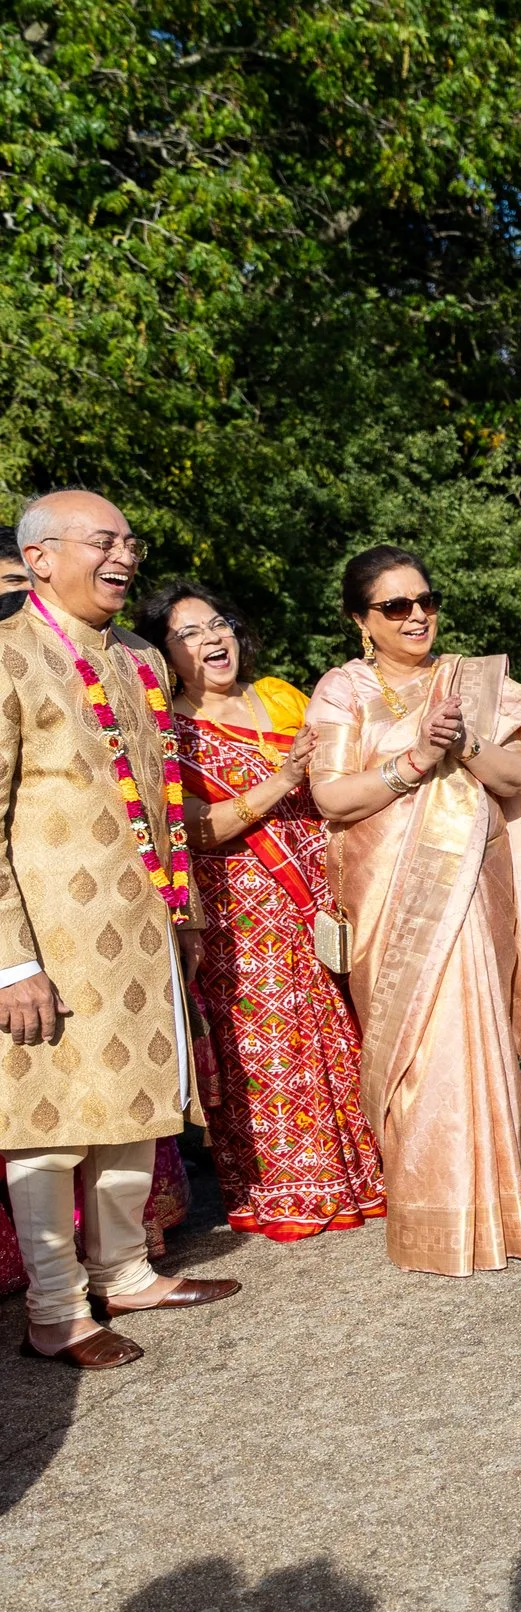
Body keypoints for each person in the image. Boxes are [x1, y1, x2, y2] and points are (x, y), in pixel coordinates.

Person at [3, 490, 239, 1370]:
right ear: (40, 558)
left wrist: (184, 912)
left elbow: (163, 800)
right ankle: (56, 1310)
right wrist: (10, 961)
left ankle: (127, 1271)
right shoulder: (7, 657)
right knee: (51, 1120)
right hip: (46, 939)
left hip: (144, 926)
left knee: (133, 1105)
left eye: (129, 540)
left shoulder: (139, 654)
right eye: (103, 541)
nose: (125, 554)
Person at [305, 547, 521, 1277]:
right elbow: (332, 795)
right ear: (362, 620)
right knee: (419, 1047)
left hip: (471, 889)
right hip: (388, 898)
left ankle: (494, 1209)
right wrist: (416, 761)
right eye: (395, 606)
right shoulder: (343, 690)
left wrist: (467, 743)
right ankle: (429, 1218)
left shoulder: (472, 679)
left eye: (425, 599)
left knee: (477, 1033)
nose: (417, 615)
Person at [133, 584, 381, 1241]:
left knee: (338, 1028)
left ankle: (361, 1173)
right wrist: (280, 778)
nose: (213, 639)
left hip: (315, 888)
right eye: (189, 633)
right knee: (266, 1047)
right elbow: (193, 827)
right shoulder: (169, 729)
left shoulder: (280, 696)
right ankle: (286, 1189)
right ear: (164, 653)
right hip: (239, 907)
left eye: (219, 624)